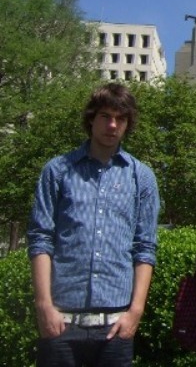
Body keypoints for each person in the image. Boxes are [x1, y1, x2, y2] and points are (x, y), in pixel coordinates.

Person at [27, 83, 160, 367]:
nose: (112, 125)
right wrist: (44, 306)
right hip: (60, 320)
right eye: (105, 116)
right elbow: (40, 238)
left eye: (120, 118)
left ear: (128, 123)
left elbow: (145, 246)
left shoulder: (142, 177)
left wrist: (135, 311)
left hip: (116, 325)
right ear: (91, 119)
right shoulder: (58, 170)